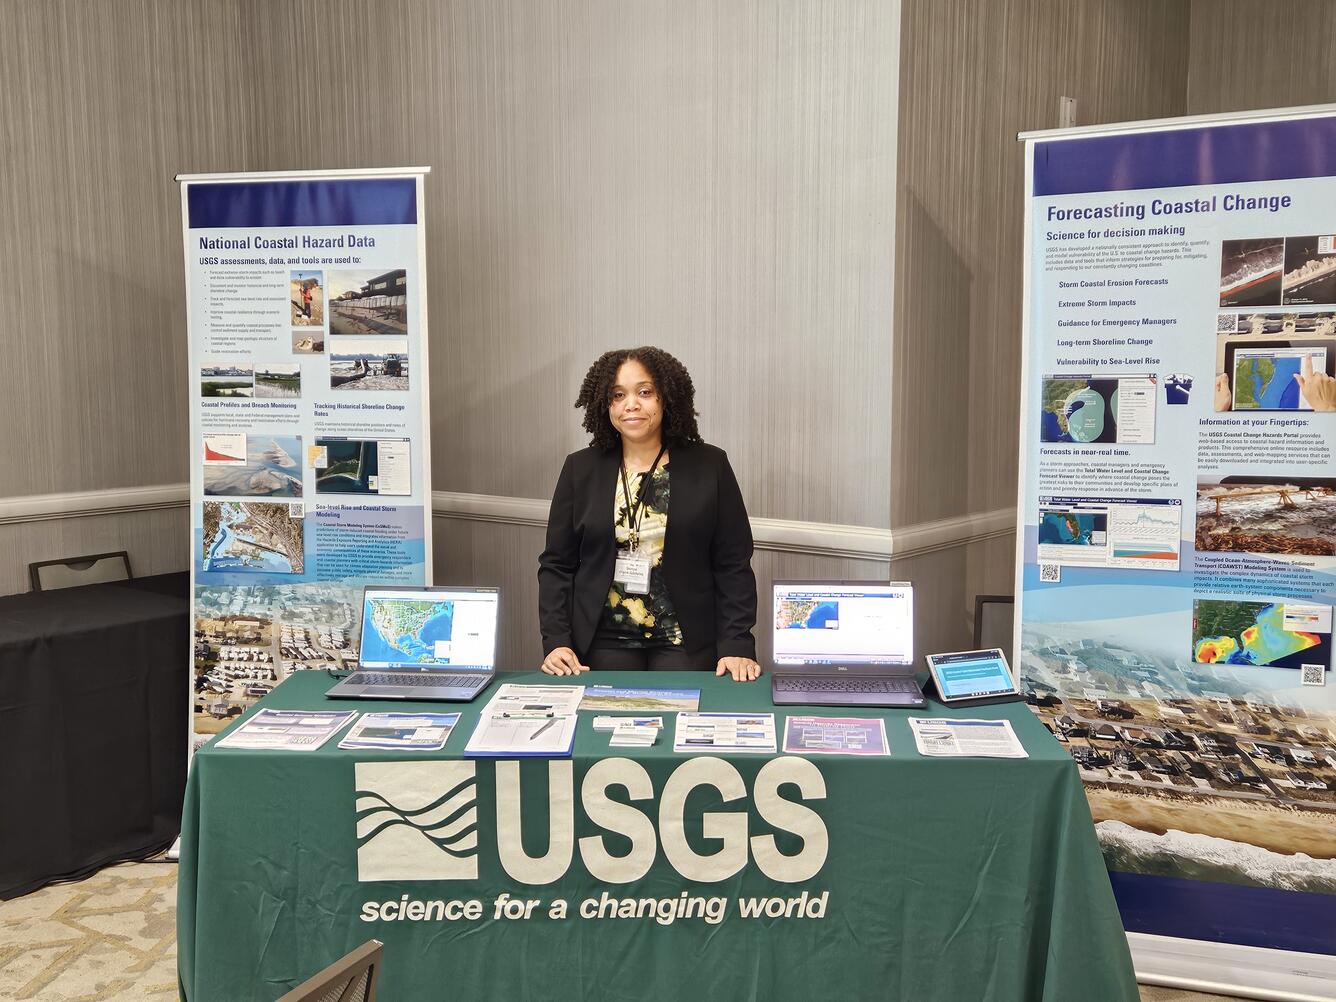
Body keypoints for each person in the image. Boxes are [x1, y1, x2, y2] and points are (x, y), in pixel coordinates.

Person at [538, 346, 761, 682]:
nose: (631, 404)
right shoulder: (580, 469)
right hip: (602, 639)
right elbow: (557, 564)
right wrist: (556, 641)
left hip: (684, 639)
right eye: (618, 395)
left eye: (645, 392)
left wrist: (737, 642)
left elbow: (732, 564)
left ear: (666, 398)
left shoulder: (710, 465)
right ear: (606, 404)